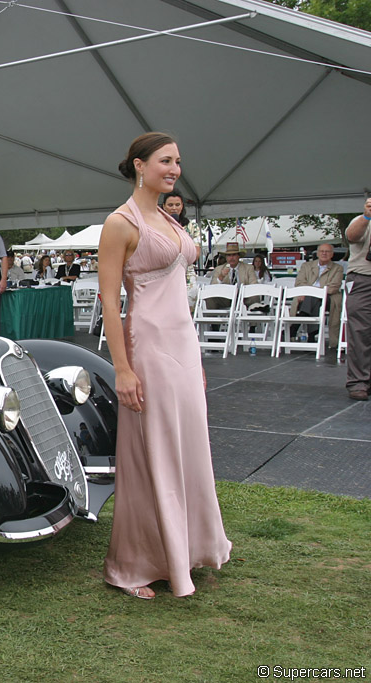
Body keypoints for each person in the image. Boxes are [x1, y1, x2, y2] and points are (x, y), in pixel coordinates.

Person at [99, 132, 231, 599]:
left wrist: (194, 358)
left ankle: (191, 549)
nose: (174, 169)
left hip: (183, 345)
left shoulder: (166, 217)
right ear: (139, 165)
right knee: (150, 451)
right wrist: (122, 368)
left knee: (190, 446)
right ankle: (133, 564)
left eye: (178, 161)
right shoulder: (121, 222)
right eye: (165, 161)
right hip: (148, 348)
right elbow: (109, 302)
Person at [290, 243, 344, 349]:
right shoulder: (307, 266)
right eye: (322, 251)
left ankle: (294, 327)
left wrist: (313, 291)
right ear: (317, 253)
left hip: (328, 297)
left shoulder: (337, 268)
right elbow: (300, 282)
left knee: (312, 297)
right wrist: (307, 292)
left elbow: (334, 286)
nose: (324, 253)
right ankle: (312, 335)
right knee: (312, 299)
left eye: (327, 251)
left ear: (332, 254)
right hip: (307, 298)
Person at [344, 198, 371, 401]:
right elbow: (352, 236)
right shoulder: (361, 220)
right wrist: (367, 215)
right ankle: (358, 382)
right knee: (360, 332)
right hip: (363, 280)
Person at [209, 242, 256, 308]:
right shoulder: (219, 269)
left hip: (244, 298)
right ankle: (210, 318)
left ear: (238, 256)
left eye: (234, 255)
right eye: (229, 255)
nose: (231, 258)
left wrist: (243, 293)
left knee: (255, 297)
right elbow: (212, 288)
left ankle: (253, 317)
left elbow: (254, 285)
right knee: (209, 298)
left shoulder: (248, 268)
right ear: (226, 257)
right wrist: (221, 277)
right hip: (226, 299)